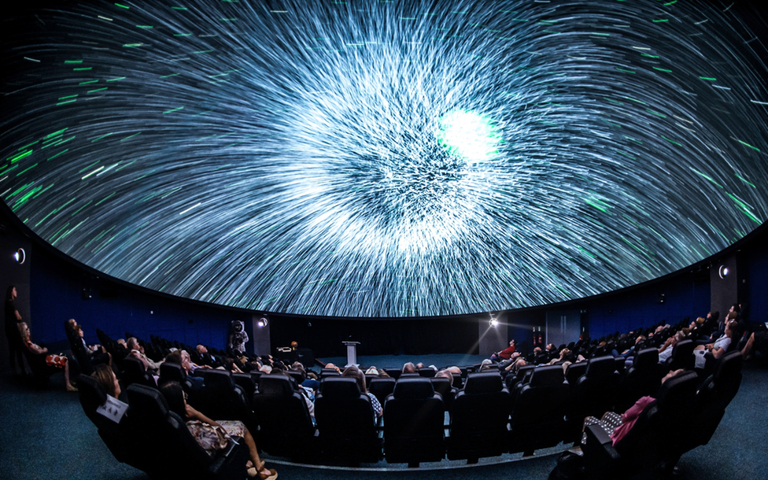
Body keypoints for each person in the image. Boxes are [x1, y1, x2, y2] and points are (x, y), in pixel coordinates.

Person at [160, 381, 277, 480]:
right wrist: (198, 414)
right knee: (240, 426)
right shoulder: (194, 428)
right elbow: (222, 435)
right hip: (212, 458)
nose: (186, 400)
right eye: (184, 398)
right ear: (180, 403)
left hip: (186, 463)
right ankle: (261, 470)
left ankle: (247, 463)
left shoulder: (165, 422)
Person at [580, 369, 685, 447]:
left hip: (619, 440)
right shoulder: (676, 407)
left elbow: (625, 417)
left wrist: (625, 416)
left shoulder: (647, 401)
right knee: (607, 414)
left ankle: (586, 453)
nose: (670, 371)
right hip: (637, 442)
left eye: (673, 373)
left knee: (588, 419)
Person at [18, 322, 77, 391]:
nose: (29, 330)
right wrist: (44, 349)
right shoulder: (29, 345)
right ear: (24, 332)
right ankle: (68, 385)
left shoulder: (28, 343)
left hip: (44, 360)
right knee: (65, 360)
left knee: (64, 355)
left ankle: (68, 380)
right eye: (26, 329)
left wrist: (41, 349)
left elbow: (38, 350)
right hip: (43, 363)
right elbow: (39, 351)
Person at [4, 286, 26, 375]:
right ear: (11, 292)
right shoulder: (11, 303)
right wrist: (20, 318)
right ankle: (23, 371)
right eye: (15, 290)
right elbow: (18, 316)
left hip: (9, 330)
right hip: (13, 330)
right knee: (18, 350)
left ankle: (14, 372)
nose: (16, 292)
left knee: (12, 351)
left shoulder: (8, 303)